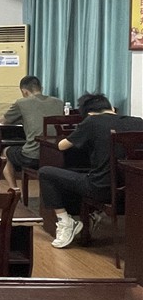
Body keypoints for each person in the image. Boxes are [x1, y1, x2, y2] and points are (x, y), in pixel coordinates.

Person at [39, 93, 143, 248]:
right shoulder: (138, 122)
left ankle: (66, 222)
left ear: (89, 113)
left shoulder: (92, 121)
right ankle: (94, 213)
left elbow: (62, 146)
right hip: (134, 192)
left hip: (101, 190)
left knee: (45, 172)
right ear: (112, 108)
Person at [1, 75, 64, 189]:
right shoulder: (59, 102)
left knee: (5, 152)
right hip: (56, 155)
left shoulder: (21, 103)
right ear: (41, 88)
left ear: (24, 91)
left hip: (32, 156)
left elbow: (4, 121)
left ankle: (14, 190)